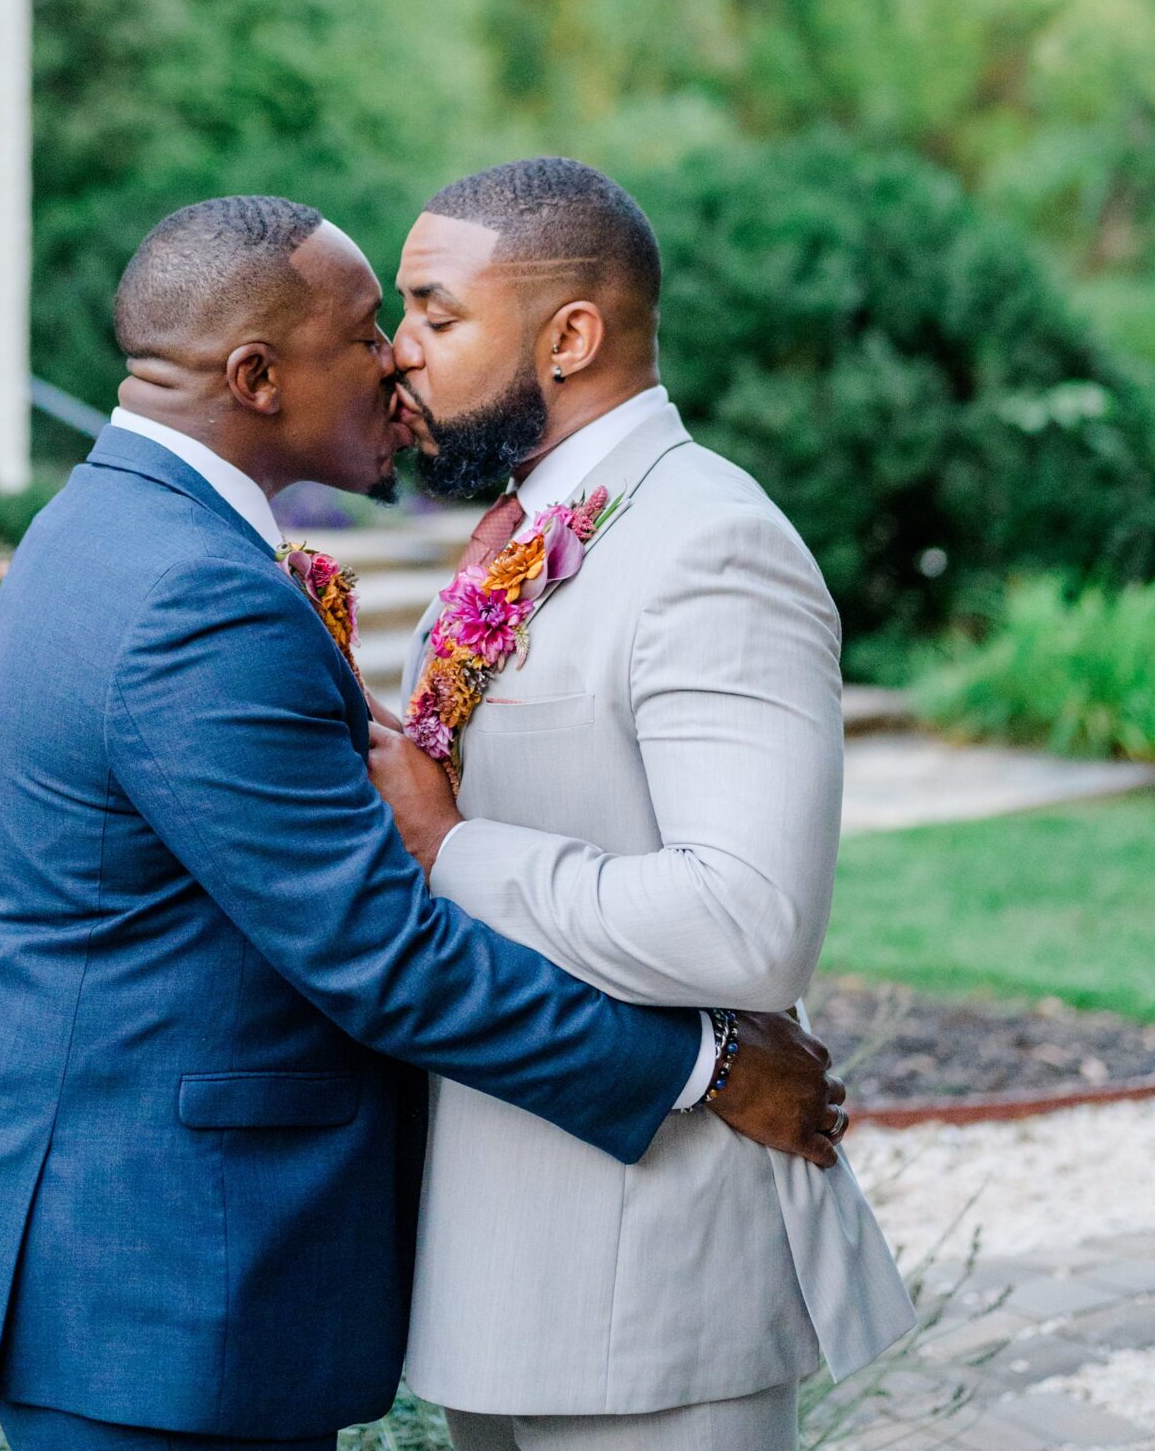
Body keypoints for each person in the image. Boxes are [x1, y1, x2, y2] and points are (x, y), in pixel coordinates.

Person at [0, 195, 846, 1451]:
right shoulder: (195, 594)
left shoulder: (104, 527)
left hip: (130, 1248)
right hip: (156, 1269)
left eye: (421, 318)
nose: (394, 355)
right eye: (367, 331)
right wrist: (702, 1065)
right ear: (254, 377)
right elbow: (378, 954)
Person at [372, 157, 916, 1451]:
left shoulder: (704, 543)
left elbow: (746, 921)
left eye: (434, 317)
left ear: (569, 335)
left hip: (650, 1272)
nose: (395, 354)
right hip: (491, 1255)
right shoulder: (520, 530)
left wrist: (447, 847)